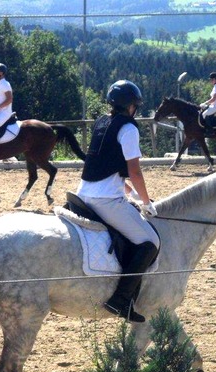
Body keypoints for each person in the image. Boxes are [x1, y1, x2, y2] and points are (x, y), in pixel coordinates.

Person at [76, 80, 160, 323]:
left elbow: (107, 166)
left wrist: (131, 194)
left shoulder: (102, 123)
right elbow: (134, 171)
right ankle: (120, 300)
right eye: (135, 105)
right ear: (130, 106)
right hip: (105, 201)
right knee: (150, 241)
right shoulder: (129, 129)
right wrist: (145, 202)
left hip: (83, 193)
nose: (136, 109)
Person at [200, 72, 216, 136]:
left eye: (211, 79)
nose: (210, 81)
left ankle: (210, 131)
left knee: (204, 114)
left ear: (215, 79)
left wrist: (205, 103)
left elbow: (214, 99)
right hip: (214, 105)